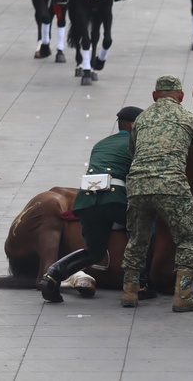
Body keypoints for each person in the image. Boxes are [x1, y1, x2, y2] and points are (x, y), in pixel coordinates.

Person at [120, 75, 193, 312]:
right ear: (181, 97)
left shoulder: (142, 118)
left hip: (137, 185)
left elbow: (133, 150)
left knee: (137, 239)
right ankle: (183, 294)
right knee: (187, 240)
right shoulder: (189, 118)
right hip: (172, 186)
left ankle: (130, 292)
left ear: (154, 96)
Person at [38, 106, 143, 302]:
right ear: (133, 125)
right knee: (144, 229)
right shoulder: (137, 143)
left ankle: (52, 275)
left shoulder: (101, 144)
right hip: (114, 198)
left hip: (86, 200)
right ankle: (142, 282)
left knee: (94, 251)